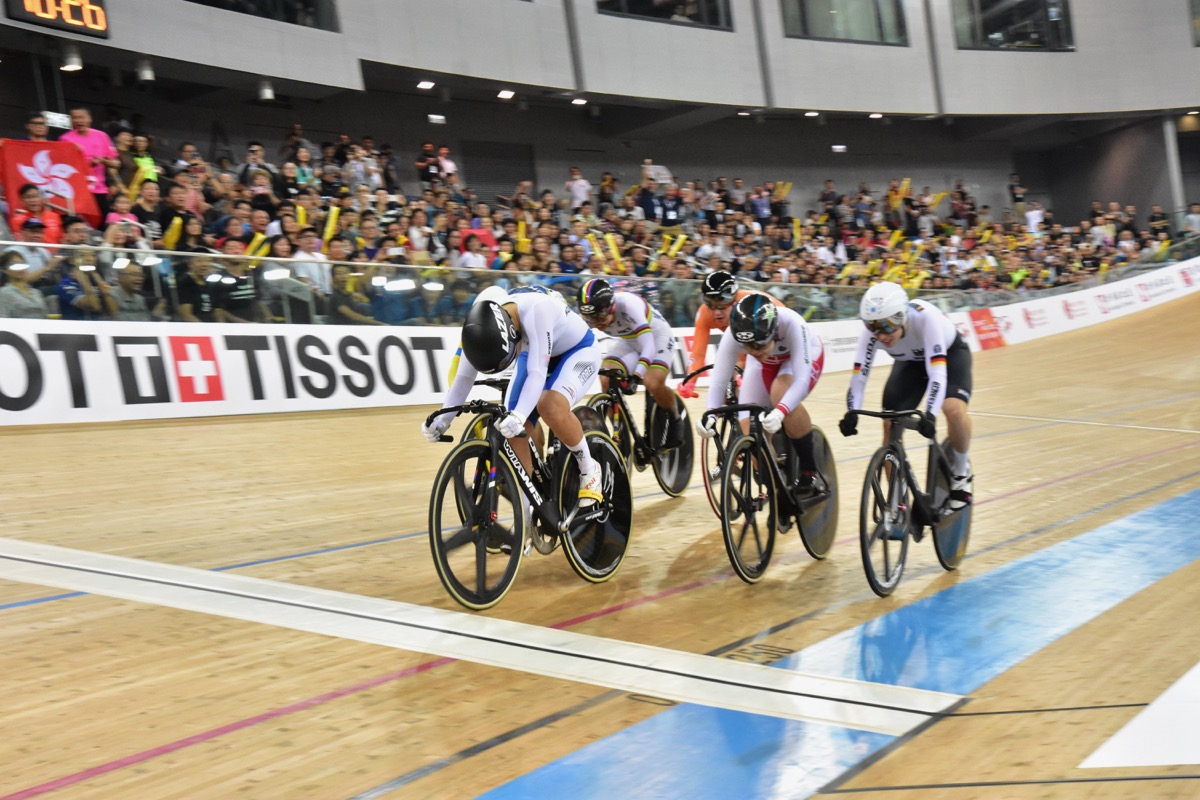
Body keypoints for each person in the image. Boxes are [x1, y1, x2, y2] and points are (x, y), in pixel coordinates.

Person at [422, 290, 605, 509]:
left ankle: (589, 468)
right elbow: (462, 379)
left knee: (549, 405)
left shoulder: (537, 310)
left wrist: (519, 415)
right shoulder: (480, 328)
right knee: (513, 433)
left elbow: (537, 372)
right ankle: (525, 517)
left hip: (578, 350)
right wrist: (443, 420)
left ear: (510, 331)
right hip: (533, 349)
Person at [839, 281, 974, 508]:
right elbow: (859, 377)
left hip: (949, 356)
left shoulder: (925, 318)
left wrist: (929, 415)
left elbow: (937, 374)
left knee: (952, 409)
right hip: (910, 363)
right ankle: (897, 498)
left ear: (902, 316)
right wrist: (852, 411)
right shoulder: (872, 333)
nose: (881, 335)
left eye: (887, 325)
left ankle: (961, 472)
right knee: (889, 426)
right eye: (873, 327)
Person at [695, 293, 827, 493]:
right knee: (750, 431)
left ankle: (810, 471)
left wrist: (781, 411)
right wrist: (710, 413)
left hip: (800, 359)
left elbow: (800, 380)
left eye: (759, 344)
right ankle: (777, 490)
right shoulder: (735, 334)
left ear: (773, 332)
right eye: (748, 347)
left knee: (780, 392)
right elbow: (719, 382)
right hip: (767, 365)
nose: (755, 351)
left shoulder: (792, 323)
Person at [576, 278, 682, 447]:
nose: (597, 323)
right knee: (606, 377)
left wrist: (636, 375)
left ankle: (676, 419)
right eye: (590, 318)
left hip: (657, 337)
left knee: (652, 382)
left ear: (611, 307)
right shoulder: (593, 316)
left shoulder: (628, 305)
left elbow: (648, 346)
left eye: (600, 317)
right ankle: (621, 435)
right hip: (629, 341)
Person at [677, 271, 783, 398]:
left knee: (774, 393)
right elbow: (698, 353)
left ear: (734, 301)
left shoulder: (749, 307)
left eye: (722, 306)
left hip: (772, 340)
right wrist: (690, 381)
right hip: (743, 344)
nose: (716, 312)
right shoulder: (704, 314)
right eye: (710, 305)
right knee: (723, 392)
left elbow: (770, 342)